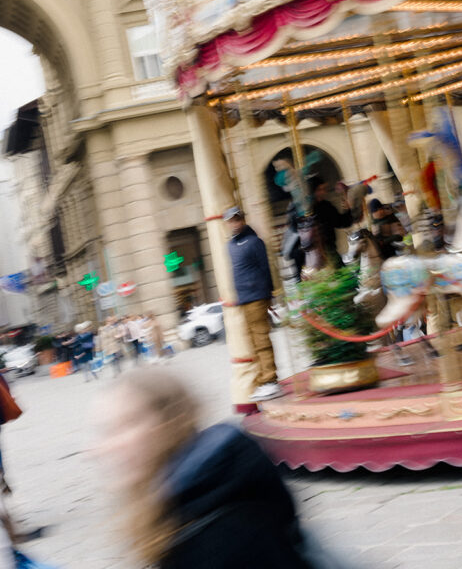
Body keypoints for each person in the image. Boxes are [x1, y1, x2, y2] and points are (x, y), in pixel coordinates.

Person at [96, 367, 316, 569]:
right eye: (105, 431)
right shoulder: (179, 502)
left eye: (126, 425)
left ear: (169, 425)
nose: (102, 448)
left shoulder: (225, 537)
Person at [224, 207, 282, 402]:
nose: (234, 223)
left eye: (237, 219)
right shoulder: (230, 245)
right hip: (244, 299)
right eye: (231, 220)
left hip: (257, 296)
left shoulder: (255, 241)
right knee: (253, 343)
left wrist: (270, 294)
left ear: (242, 219)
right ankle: (265, 380)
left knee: (261, 340)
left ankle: (270, 381)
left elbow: (266, 268)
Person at [310, 176, 353, 267]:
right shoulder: (307, 209)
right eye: (319, 189)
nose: (322, 192)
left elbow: (342, 222)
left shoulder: (326, 206)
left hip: (330, 249)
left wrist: (348, 209)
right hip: (315, 253)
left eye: (323, 189)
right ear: (312, 192)